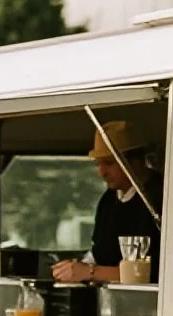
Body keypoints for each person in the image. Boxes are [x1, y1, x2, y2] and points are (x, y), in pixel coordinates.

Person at [51, 121, 161, 284]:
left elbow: (150, 273)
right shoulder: (108, 200)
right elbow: (99, 252)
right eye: (98, 163)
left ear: (136, 161)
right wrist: (73, 268)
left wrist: (89, 272)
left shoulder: (161, 197)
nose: (101, 172)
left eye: (109, 163)